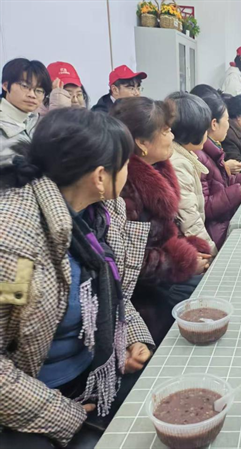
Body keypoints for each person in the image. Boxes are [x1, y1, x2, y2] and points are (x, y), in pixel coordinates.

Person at [0, 108, 154, 448]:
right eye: (126, 163)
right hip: (32, 400)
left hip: (92, 375)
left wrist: (130, 340)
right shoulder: (14, 245)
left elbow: (113, 290)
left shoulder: (99, 214)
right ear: (100, 177)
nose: (130, 171)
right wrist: (62, 414)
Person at [110, 97, 212, 312]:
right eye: (165, 131)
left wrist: (190, 249)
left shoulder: (159, 168)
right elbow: (131, 259)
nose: (172, 137)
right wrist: (184, 262)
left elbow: (168, 231)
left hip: (167, 276)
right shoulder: (125, 187)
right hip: (148, 292)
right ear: (142, 142)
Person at [191, 84, 241, 249]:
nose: (229, 125)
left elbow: (222, 183)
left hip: (223, 221)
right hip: (216, 232)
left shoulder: (213, 149)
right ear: (214, 124)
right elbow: (206, 207)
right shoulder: (199, 157)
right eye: (226, 120)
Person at [167, 92, 218, 256]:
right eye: (205, 129)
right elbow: (190, 221)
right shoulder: (178, 164)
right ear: (192, 132)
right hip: (187, 250)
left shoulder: (184, 155)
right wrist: (212, 253)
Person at [0, 58, 51, 163]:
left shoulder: (37, 124)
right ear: (5, 85)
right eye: (25, 86)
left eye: (39, 91)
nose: (32, 95)